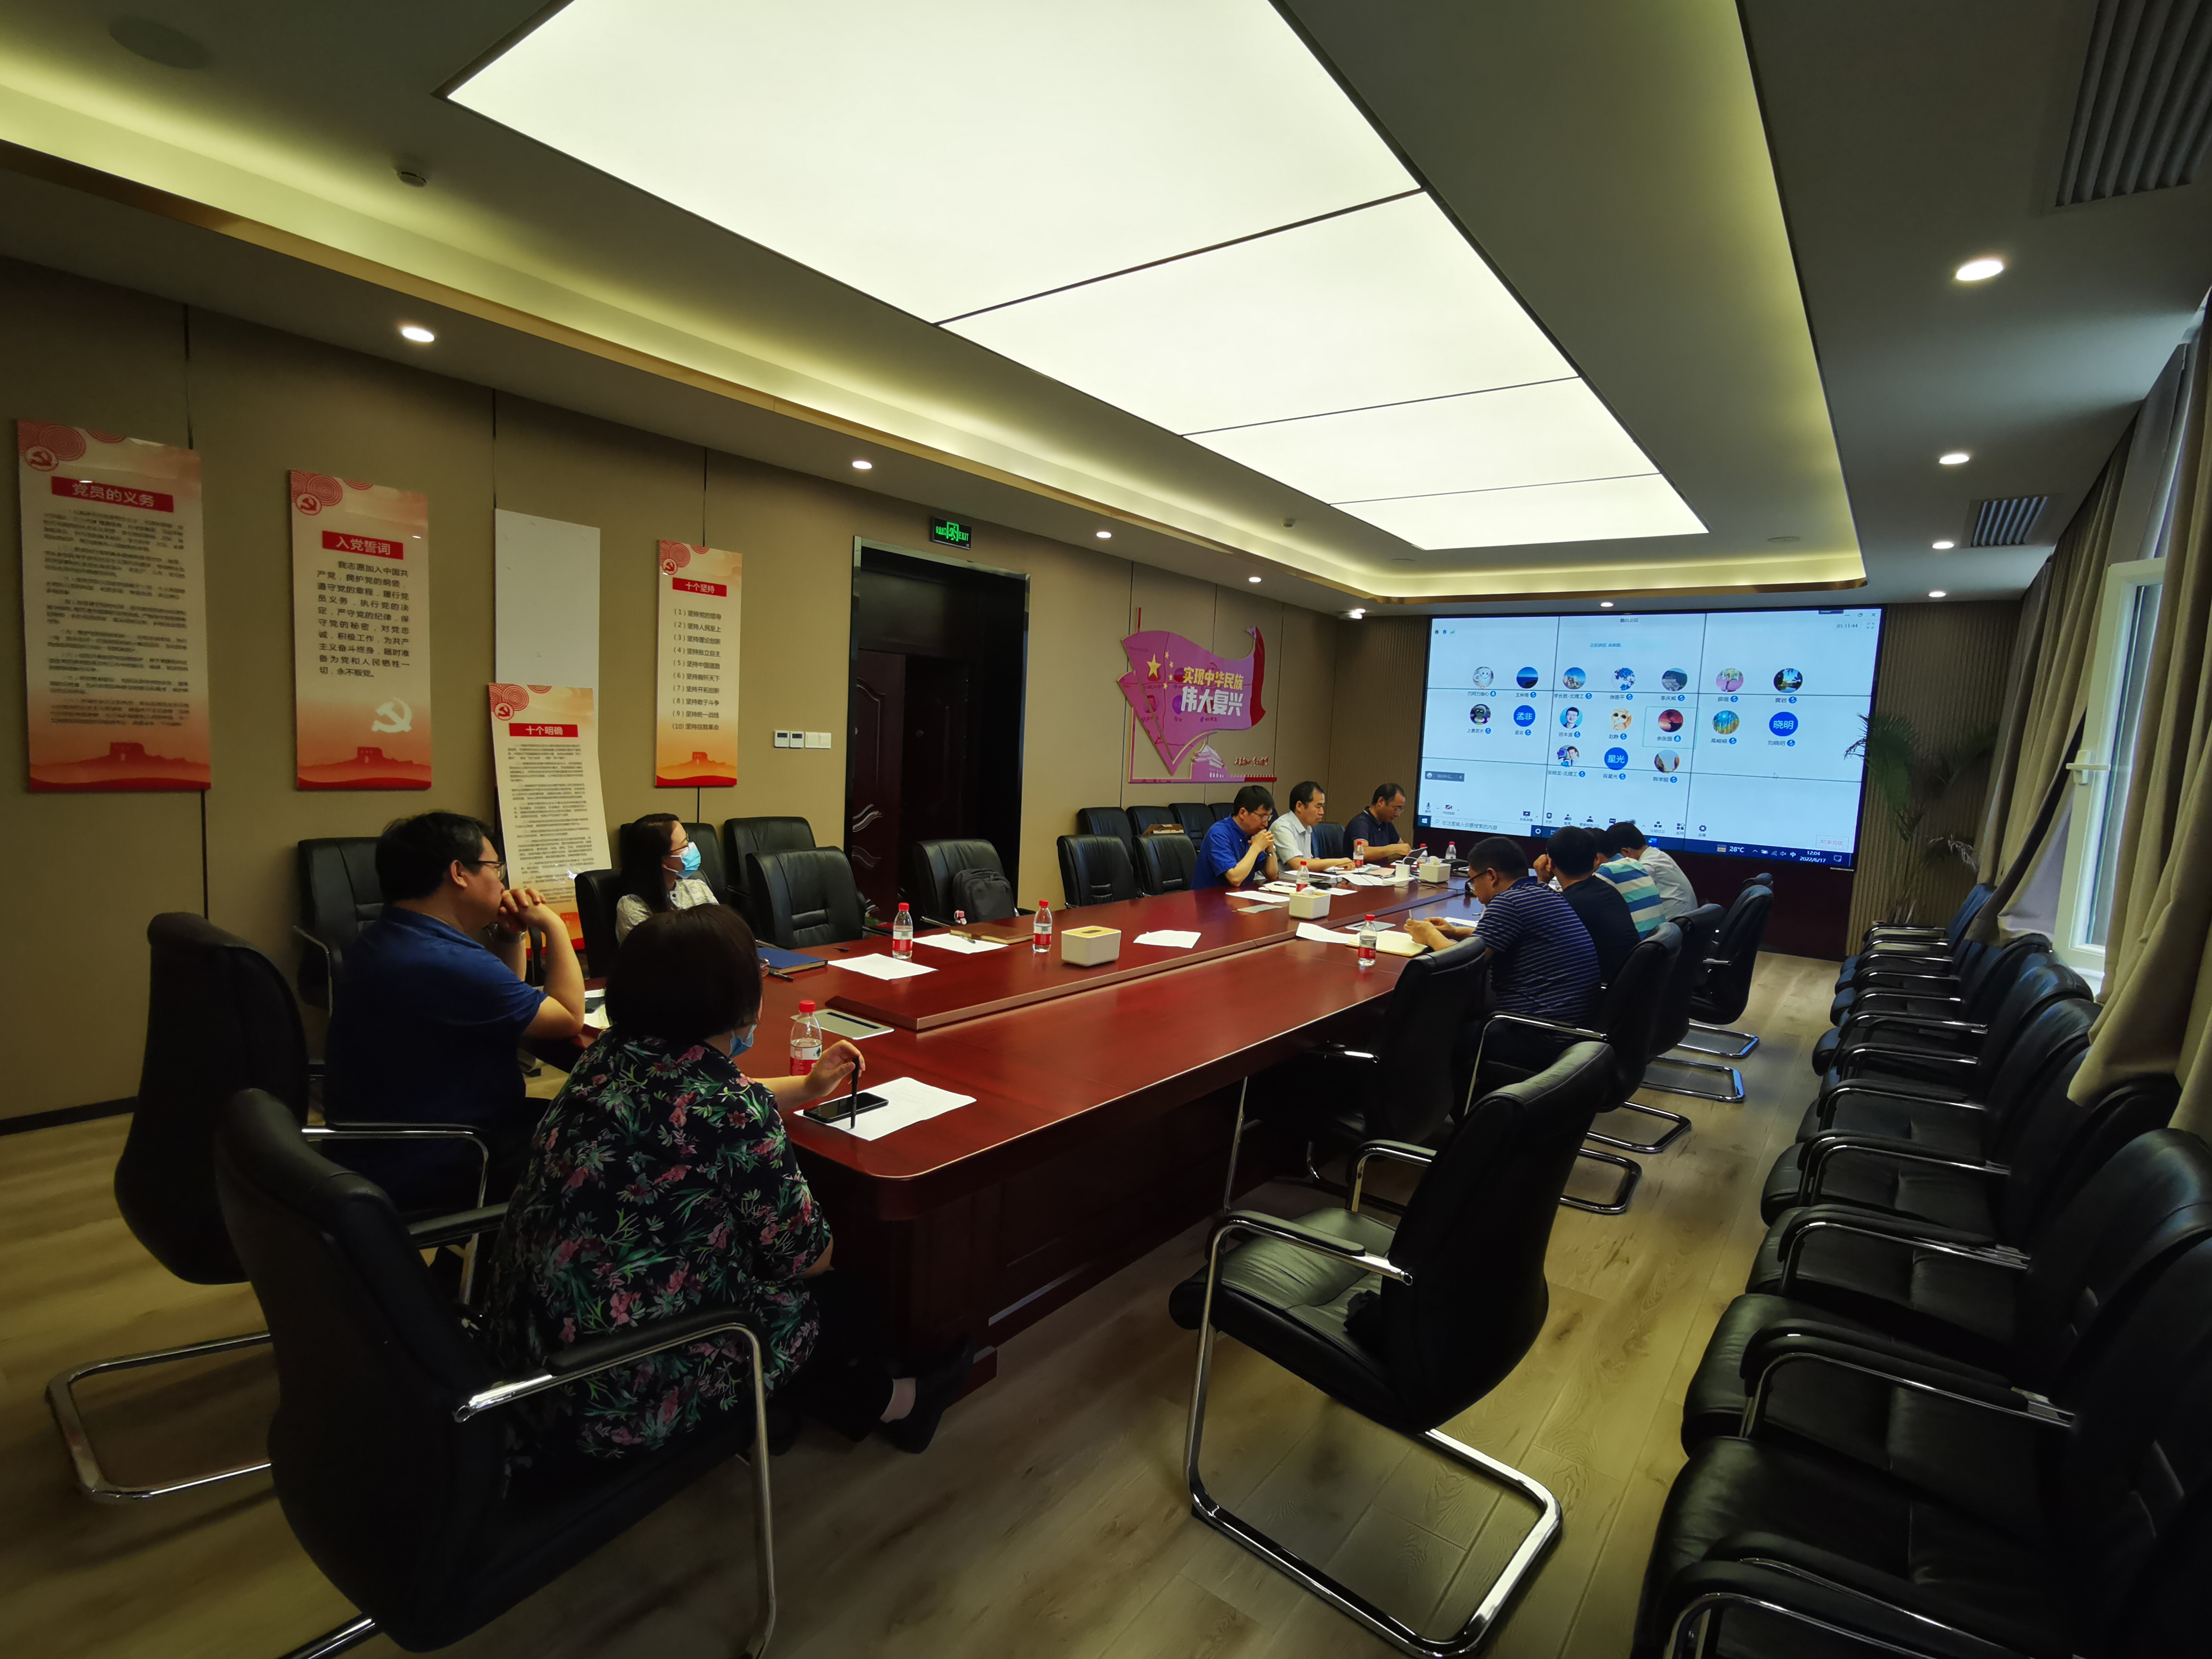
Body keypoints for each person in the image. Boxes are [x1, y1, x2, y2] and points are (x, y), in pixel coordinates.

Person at [486, 905, 974, 1462]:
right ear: (740, 1001)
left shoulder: (610, 1055)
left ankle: (880, 1402)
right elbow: (809, 1259)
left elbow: (693, 1093)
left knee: (749, 1256)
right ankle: (897, 1403)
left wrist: (807, 1088)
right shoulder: (732, 1112)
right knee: (846, 1299)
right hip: (611, 1395)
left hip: (526, 1357)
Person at [325, 811, 587, 1204]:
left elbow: (501, 1000)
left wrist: (509, 935)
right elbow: (567, 1018)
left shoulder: (391, 936)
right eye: (495, 869)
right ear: (459, 873)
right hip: (445, 1154)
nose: (502, 882)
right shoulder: (441, 960)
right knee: (610, 1139)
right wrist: (554, 926)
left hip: (392, 1137)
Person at [1532, 826, 1639, 986]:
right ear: (1596, 860)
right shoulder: (1609, 892)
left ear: (1550, 863)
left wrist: (1542, 880)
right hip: (1627, 987)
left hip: (1597, 991)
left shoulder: (1565, 906)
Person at [615, 813, 718, 942]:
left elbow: (723, 933)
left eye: (688, 841)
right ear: (662, 860)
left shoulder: (699, 887)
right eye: (684, 845)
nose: (691, 848)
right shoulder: (632, 908)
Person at [1602, 820, 1697, 918]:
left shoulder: (1645, 867)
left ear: (1625, 852)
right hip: (1685, 919)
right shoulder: (1658, 855)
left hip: (1673, 922)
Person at [1195, 783, 1281, 890]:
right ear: (1243, 813)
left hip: (1242, 895)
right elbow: (1235, 879)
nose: (1266, 824)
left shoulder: (1254, 833)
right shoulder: (1219, 834)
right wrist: (1256, 847)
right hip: (1211, 897)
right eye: (1262, 817)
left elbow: (1272, 876)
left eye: (1269, 817)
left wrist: (1270, 849)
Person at [1592, 829, 1668, 938]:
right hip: (1657, 939)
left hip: (1639, 943)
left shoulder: (1607, 872)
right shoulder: (1635, 864)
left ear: (1597, 858)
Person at [1271, 781, 1356, 875]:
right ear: (1299, 806)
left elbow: (1307, 861)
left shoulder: (1307, 827)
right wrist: (1339, 862)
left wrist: (1317, 863)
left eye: (1322, 807)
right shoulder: (1282, 827)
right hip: (1279, 882)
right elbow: (1298, 865)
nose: (1322, 812)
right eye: (1318, 807)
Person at [1344, 783, 1414, 863]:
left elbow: (1402, 847)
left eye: (1400, 810)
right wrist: (1393, 849)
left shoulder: (1386, 823)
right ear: (1381, 802)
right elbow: (1363, 853)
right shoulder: (1360, 823)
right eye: (1396, 809)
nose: (1397, 815)